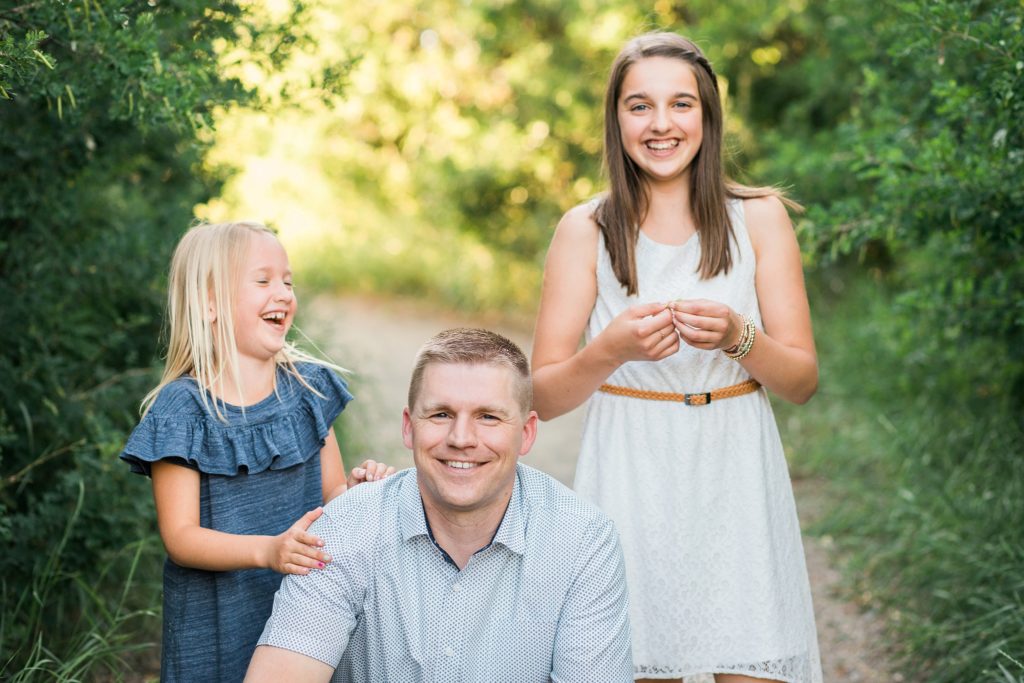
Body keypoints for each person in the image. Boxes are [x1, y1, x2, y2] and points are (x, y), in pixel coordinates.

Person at [531, 32, 823, 683]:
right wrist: (610, 349)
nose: (661, 124)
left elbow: (802, 380)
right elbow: (543, 396)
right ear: (616, 119)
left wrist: (738, 338)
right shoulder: (586, 228)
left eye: (680, 104)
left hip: (734, 466)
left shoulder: (760, 218)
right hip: (631, 467)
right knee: (639, 663)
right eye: (640, 106)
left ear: (708, 116)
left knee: (752, 662)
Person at [245, 328, 633, 683]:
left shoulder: (583, 542)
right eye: (441, 414)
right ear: (409, 426)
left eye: (488, 417)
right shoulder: (344, 527)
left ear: (526, 432)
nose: (461, 438)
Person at [119, 221, 393, 683]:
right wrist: (268, 551)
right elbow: (181, 537)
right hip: (218, 626)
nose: (283, 293)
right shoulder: (183, 410)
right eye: (263, 280)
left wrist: (361, 492)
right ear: (209, 303)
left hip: (306, 617)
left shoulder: (308, 390)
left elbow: (333, 498)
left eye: (287, 280)